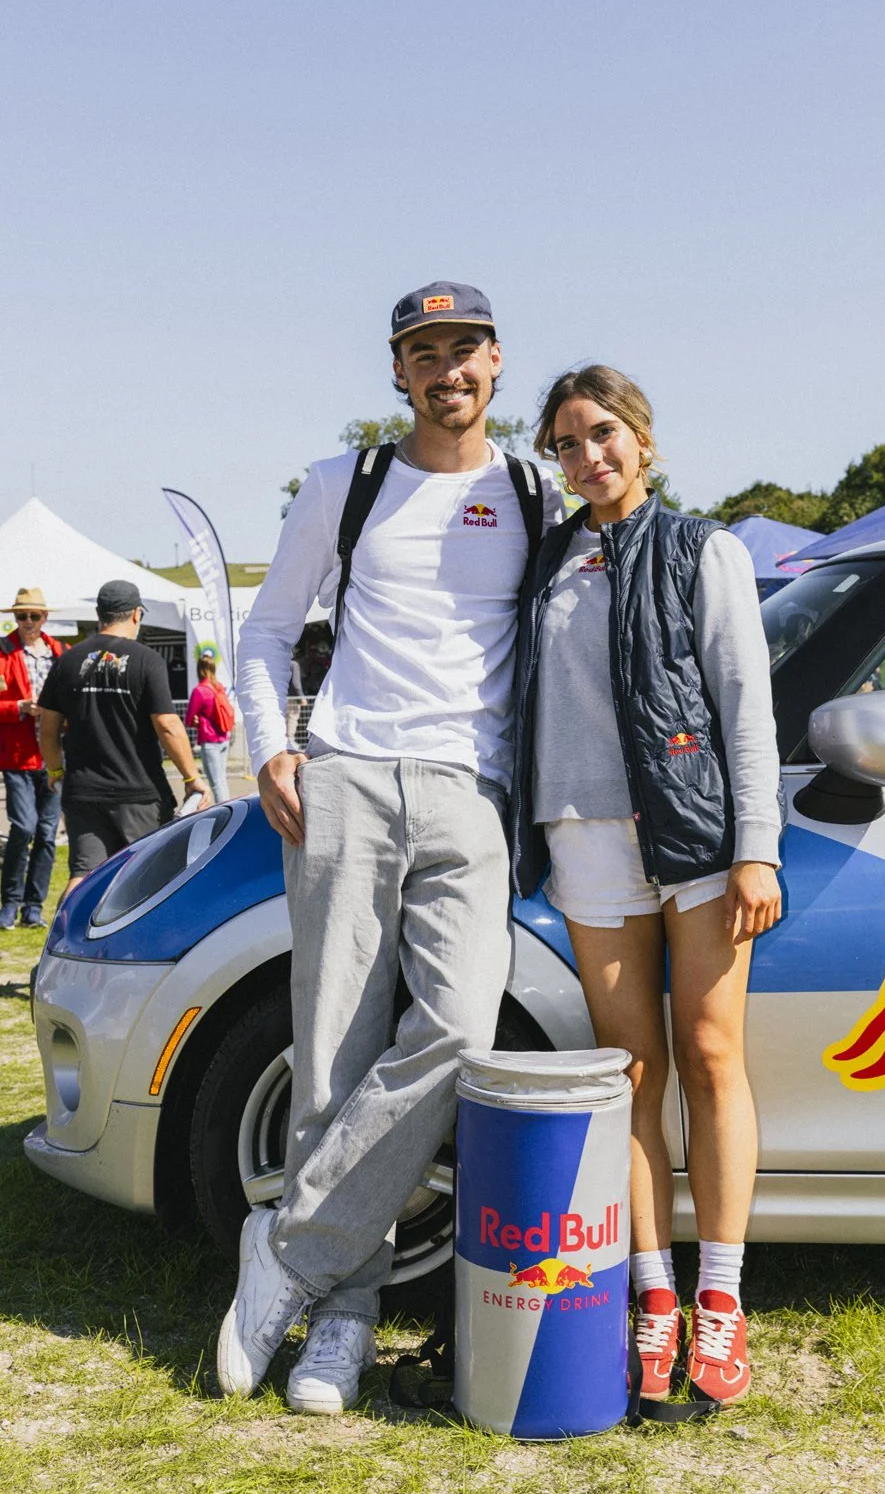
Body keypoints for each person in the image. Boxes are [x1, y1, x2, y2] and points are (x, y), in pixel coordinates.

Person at [219, 282, 563, 1414]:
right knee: (330, 1049)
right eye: (424, 352)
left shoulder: (533, 490)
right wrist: (274, 749)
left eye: (464, 349)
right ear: (398, 371)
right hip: (348, 781)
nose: (445, 370)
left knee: (458, 1030)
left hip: (472, 792)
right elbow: (266, 630)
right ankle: (343, 1324)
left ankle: (288, 1246)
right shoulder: (344, 485)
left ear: (497, 363)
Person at [510, 366, 783, 1408]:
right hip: (583, 837)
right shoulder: (546, 565)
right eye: (568, 443)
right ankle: (652, 1293)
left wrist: (754, 845)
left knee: (711, 1056)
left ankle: (721, 1294)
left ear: (644, 441)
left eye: (604, 433)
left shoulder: (701, 548)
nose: (589, 456)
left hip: (698, 836)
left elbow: (743, 706)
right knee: (628, 1071)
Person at [37, 581, 211, 899]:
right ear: (136, 614)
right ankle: (145, 948)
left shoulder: (68, 660)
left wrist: (55, 771)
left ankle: (63, 942)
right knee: (149, 880)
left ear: (99, 615)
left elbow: (47, 728)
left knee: (82, 877)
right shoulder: (147, 660)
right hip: (140, 794)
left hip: (83, 790)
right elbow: (168, 725)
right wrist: (191, 777)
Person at [0, 588, 65, 928]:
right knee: (23, 827)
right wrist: (18, 708)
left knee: (46, 832)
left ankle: (33, 907)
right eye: (21, 615)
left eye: (33, 616)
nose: (27, 622)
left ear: (45, 617)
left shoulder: (60, 652)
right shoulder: (2, 650)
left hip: (53, 756)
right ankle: (9, 901)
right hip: (16, 757)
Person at [185, 654, 231, 803]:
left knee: (216, 784)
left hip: (209, 740)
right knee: (222, 781)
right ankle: (228, 807)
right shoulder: (219, 687)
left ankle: (225, 816)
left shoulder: (199, 691)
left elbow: (189, 718)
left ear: (199, 670)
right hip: (224, 737)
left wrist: (198, 720)